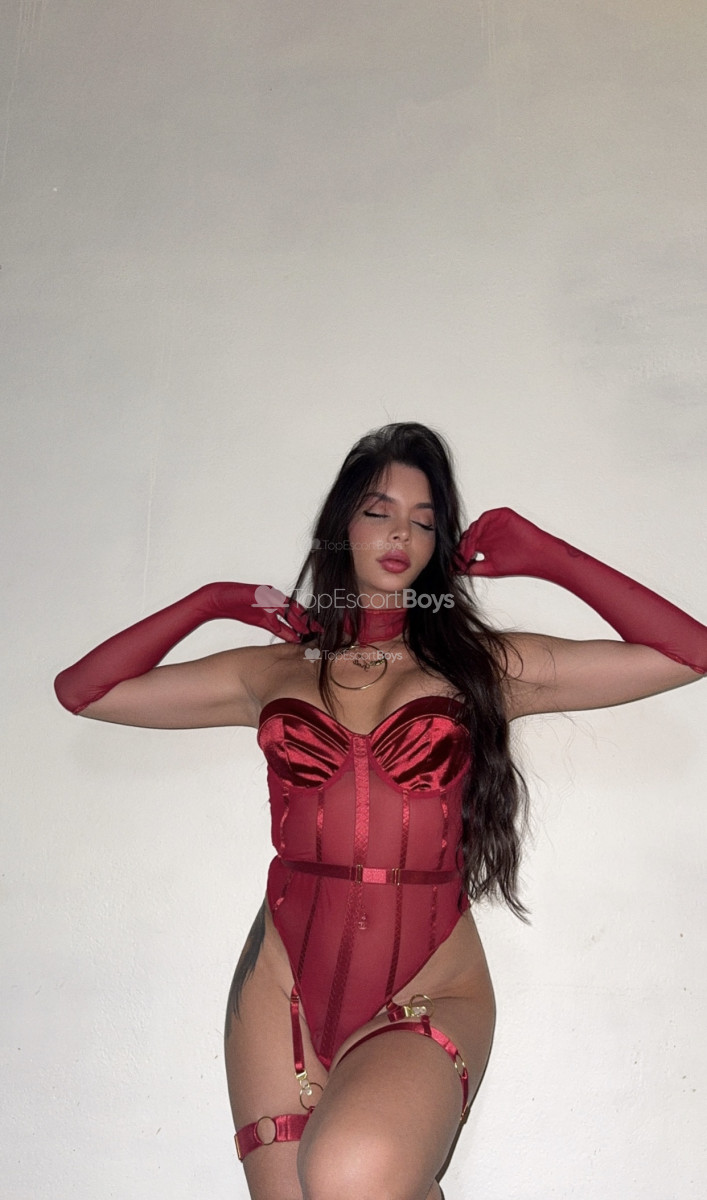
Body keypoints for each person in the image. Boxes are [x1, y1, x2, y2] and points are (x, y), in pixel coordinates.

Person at [54, 422, 706, 1200]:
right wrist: (215, 600)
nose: (400, 533)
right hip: (279, 987)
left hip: (428, 981)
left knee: (347, 1173)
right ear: (341, 524)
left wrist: (548, 557)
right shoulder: (271, 670)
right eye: (379, 510)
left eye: (423, 520)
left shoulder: (479, 667)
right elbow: (85, 691)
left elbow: (687, 653)